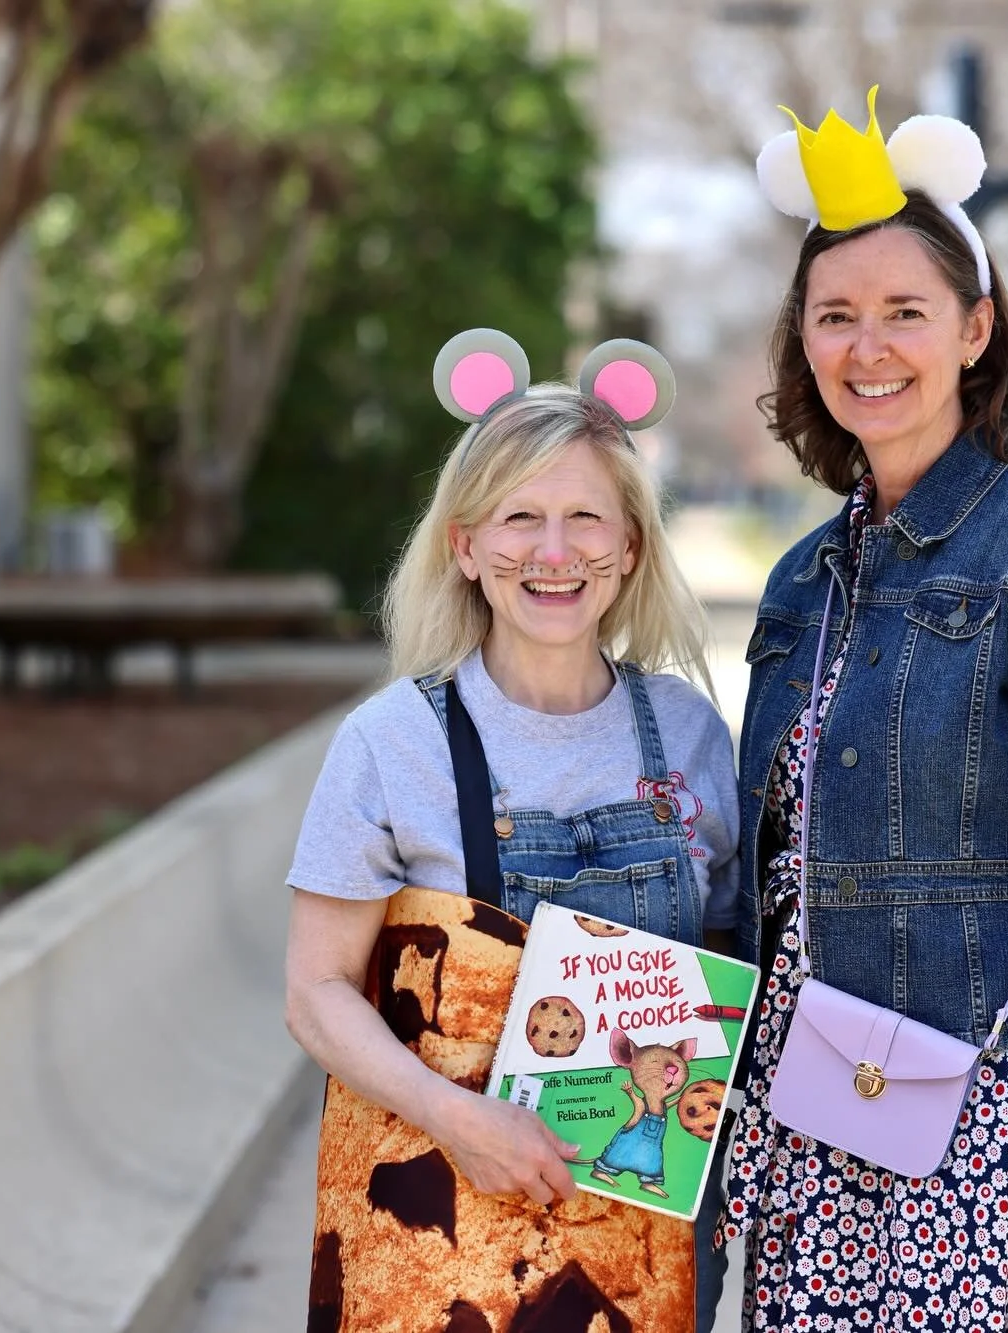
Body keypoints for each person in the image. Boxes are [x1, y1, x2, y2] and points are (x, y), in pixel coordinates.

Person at [719, 89, 1008, 1330]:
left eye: (904, 313)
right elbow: (769, 871)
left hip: (990, 1131)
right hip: (815, 1123)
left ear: (975, 331)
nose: (869, 348)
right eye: (836, 317)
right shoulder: (800, 580)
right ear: (802, 343)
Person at [284, 330, 739, 1332]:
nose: (553, 551)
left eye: (586, 518)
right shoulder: (391, 741)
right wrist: (458, 1116)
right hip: (444, 1227)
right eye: (520, 517)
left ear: (629, 547)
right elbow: (316, 992)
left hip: (648, 1241)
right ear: (465, 545)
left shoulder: (696, 739)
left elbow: (730, 963)